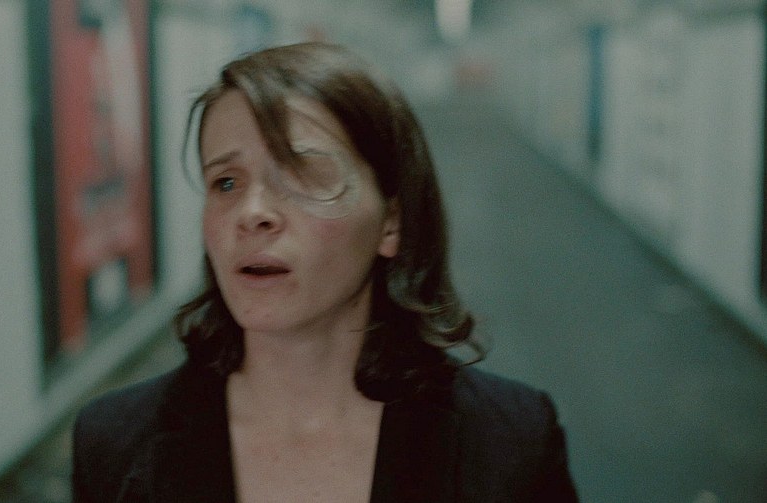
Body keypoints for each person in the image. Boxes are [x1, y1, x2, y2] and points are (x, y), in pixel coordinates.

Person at [72, 41, 578, 502]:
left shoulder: (510, 444)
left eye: (302, 175)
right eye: (226, 182)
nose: (252, 213)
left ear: (391, 223)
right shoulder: (114, 442)